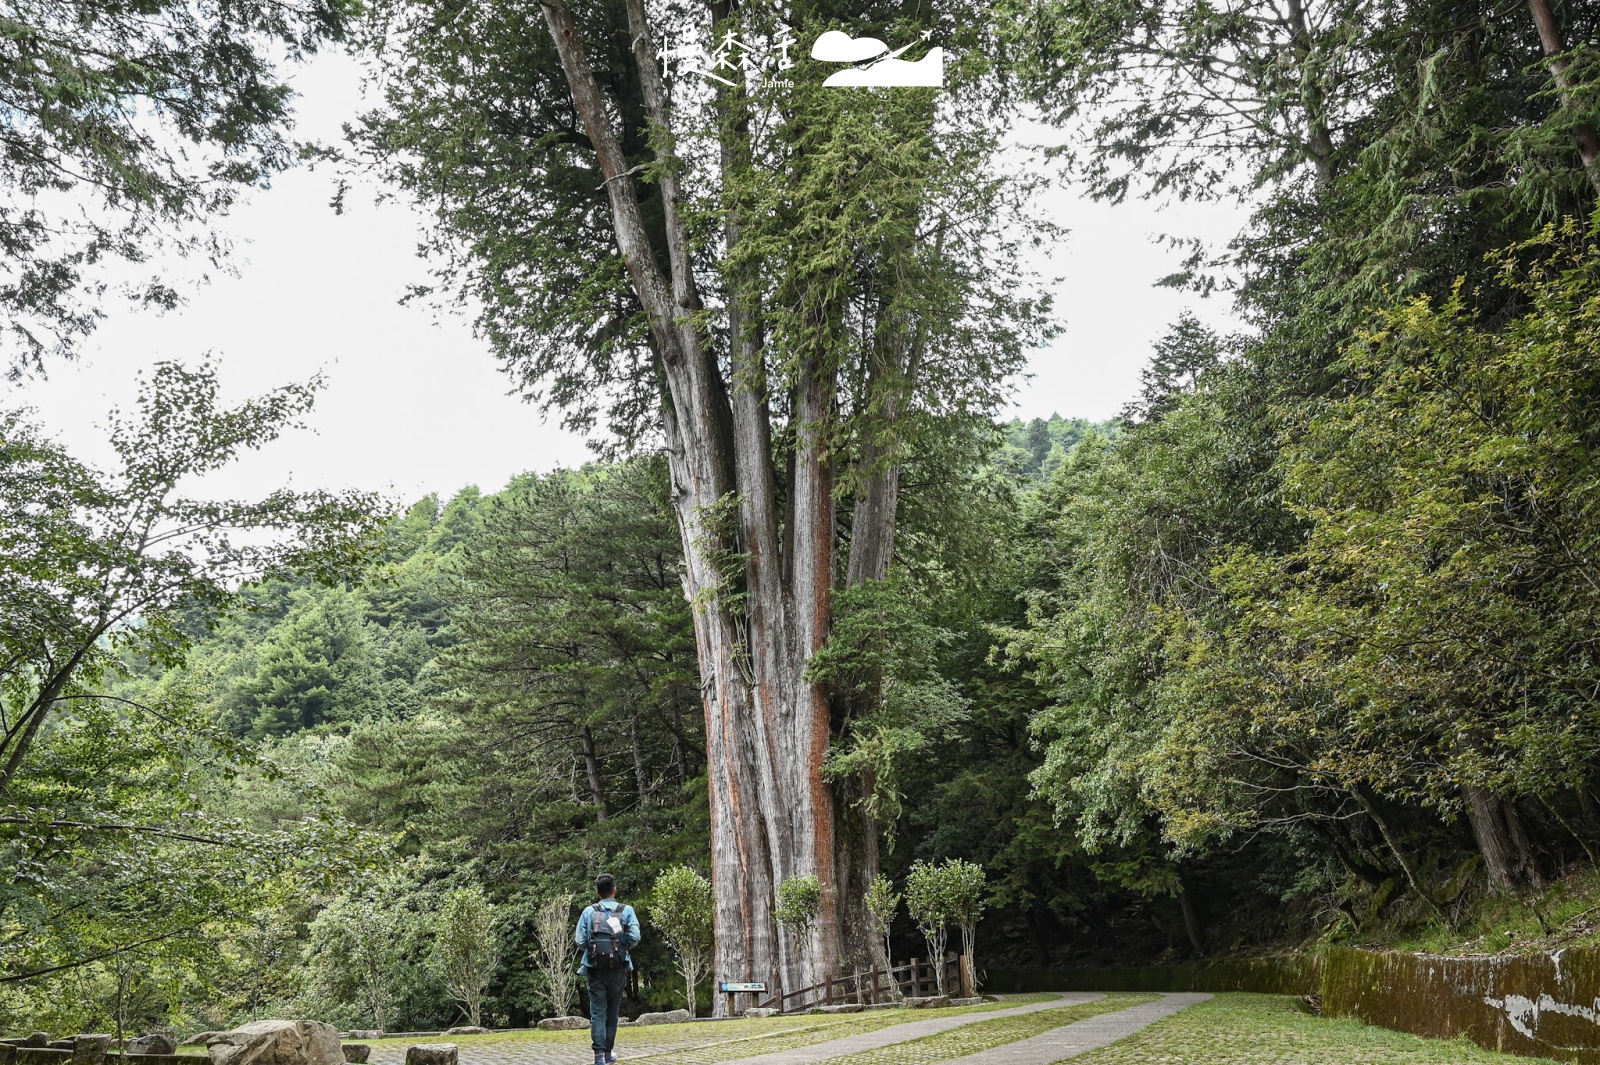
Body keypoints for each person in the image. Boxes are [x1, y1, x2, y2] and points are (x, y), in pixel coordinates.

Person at [574, 872, 641, 1065]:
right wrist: (622, 944)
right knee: (612, 1011)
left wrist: (593, 949)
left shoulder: (589, 911)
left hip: (594, 967)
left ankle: (598, 1057)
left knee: (597, 1011)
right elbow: (635, 937)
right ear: (615, 890)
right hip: (618, 966)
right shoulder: (626, 910)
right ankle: (609, 1052)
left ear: (597, 893)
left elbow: (579, 940)